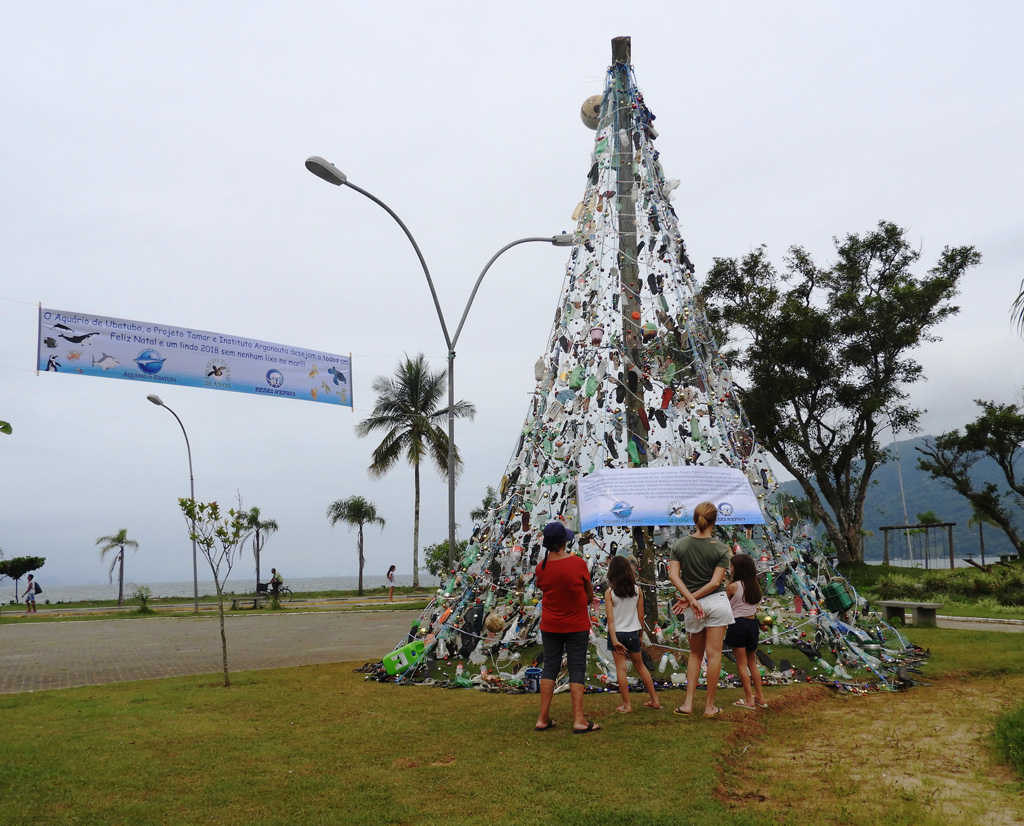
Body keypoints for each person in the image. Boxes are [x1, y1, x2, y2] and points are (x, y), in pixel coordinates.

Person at [668, 501, 734, 718]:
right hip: (716, 602)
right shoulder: (721, 548)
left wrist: (689, 600)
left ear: (694, 520)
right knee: (714, 655)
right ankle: (709, 706)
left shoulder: (679, 545)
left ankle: (688, 703)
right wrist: (693, 599)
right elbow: (716, 583)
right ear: (715, 521)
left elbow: (674, 576)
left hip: (693, 606)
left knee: (695, 655)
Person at [533, 521, 600, 734]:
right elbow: (589, 594)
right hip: (576, 624)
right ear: (564, 542)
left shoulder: (541, 568)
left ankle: (543, 718)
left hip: (550, 624)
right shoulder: (578, 563)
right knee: (577, 667)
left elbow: (542, 587)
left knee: (550, 666)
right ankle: (579, 719)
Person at [604, 555, 660, 713]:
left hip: (617, 633)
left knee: (621, 669)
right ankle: (655, 699)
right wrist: (640, 636)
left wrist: (614, 639)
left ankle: (627, 705)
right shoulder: (637, 590)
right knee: (641, 667)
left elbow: (610, 619)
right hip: (632, 633)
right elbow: (641, 617)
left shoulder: (610, 593)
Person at [725, 553, 768, 710]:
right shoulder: (755, 586)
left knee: (741, 664)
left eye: (731, 567)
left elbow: (724, 604)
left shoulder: (732, 587)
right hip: (752, 624)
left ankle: (749, 698)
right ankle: (760, 697)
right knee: (752, 662)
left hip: (738, 624)